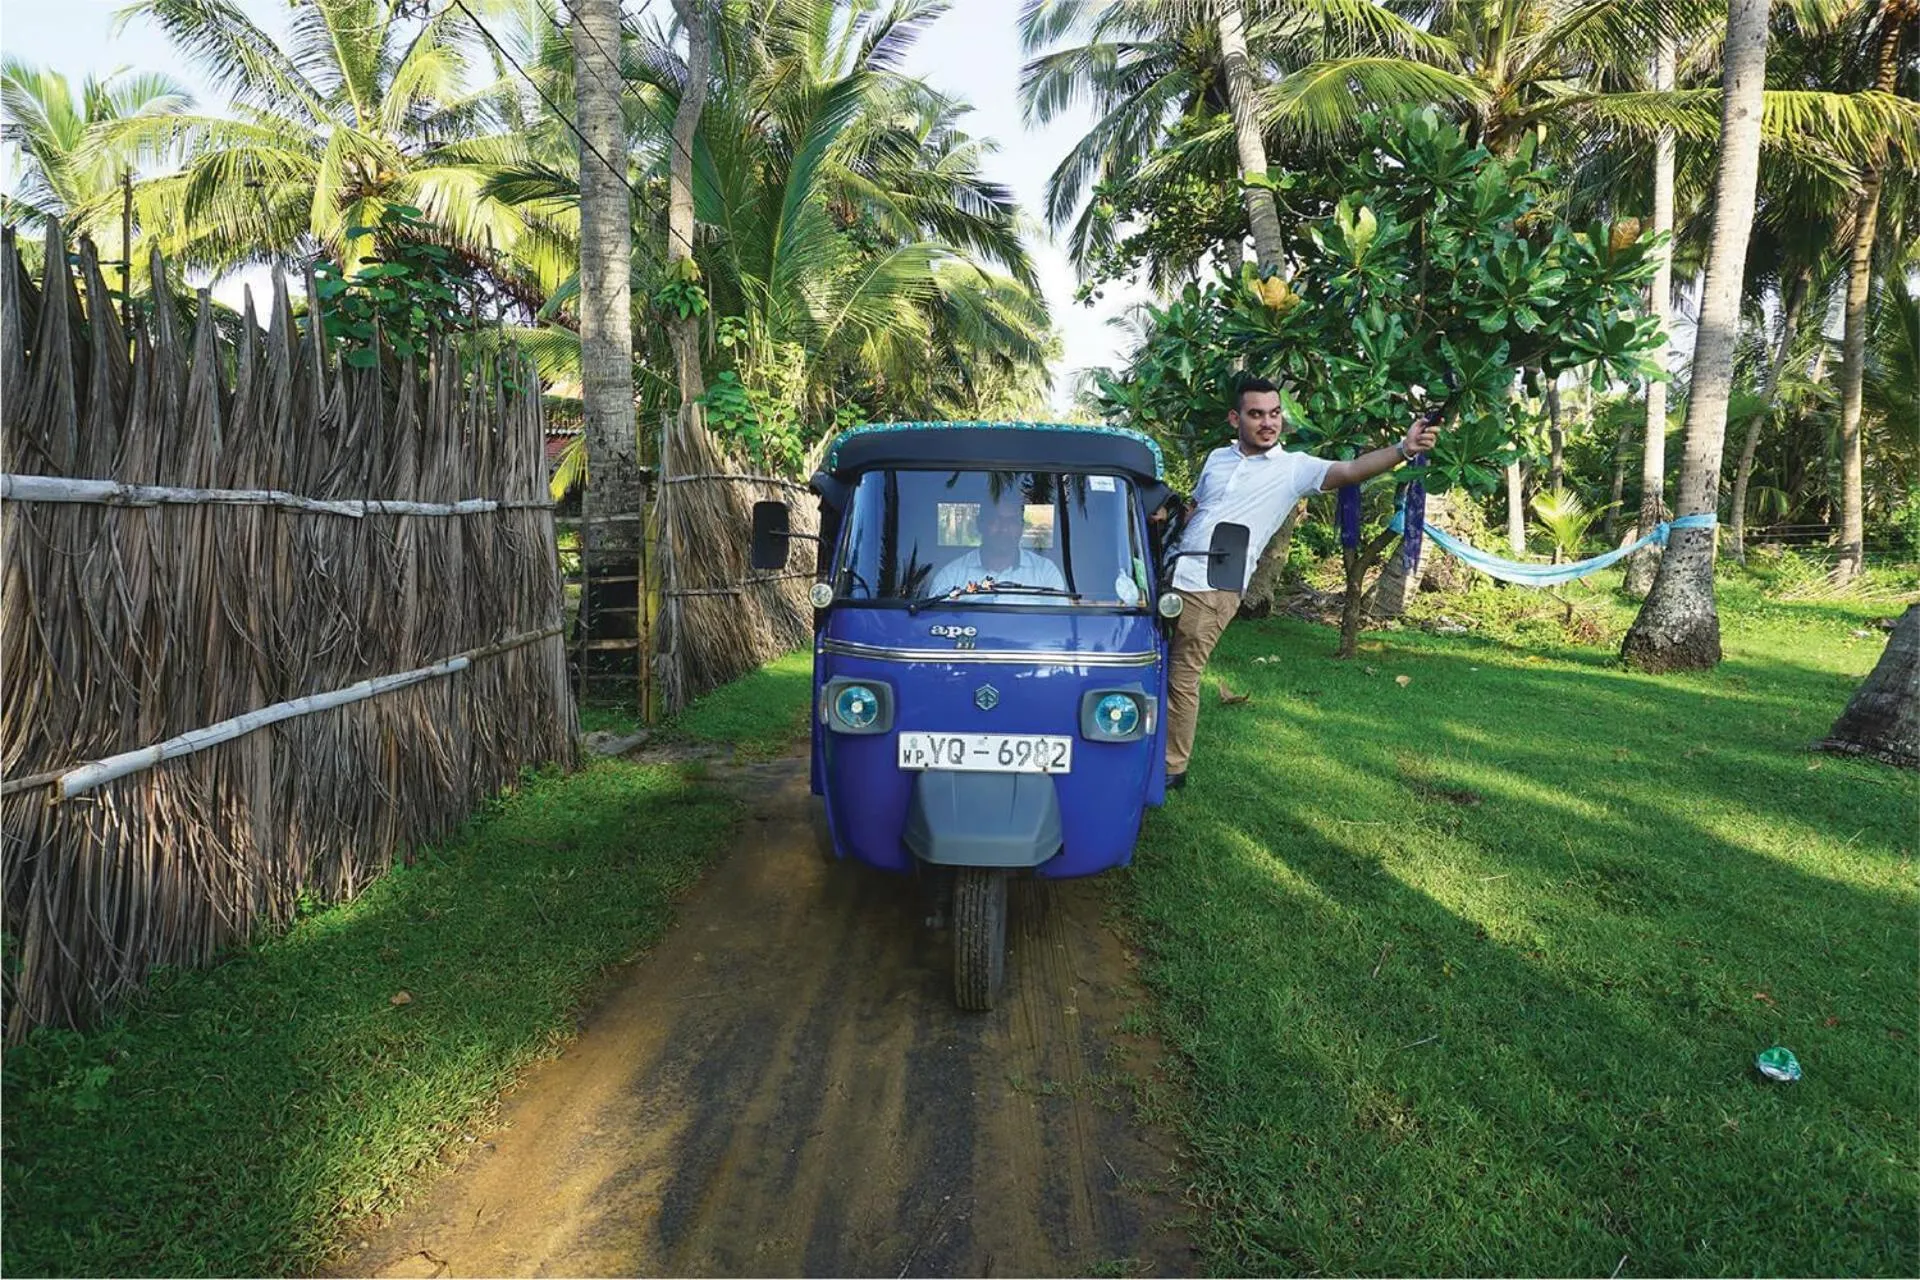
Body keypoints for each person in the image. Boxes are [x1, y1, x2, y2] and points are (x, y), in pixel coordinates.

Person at [1163, 377, 1440, 789]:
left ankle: (1171, 769)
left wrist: (1403, 450)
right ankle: (1142, 745)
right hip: (1172, 574)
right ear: (1235, 418)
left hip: (1215, 584)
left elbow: (1349, 470)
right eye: (1256, 414)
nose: (1267, 423)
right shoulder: (1217, 458)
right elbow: (1201, 509)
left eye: (1274, 414)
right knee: (1153, 663)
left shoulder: (1293, 469)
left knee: (1183, 675)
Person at [923, 495, 1069, 604]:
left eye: (1011, 522)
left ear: (1021, 528)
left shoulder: (1046, 572)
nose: (1004, 529)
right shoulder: (951, 575)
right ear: (980, 525)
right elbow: (934, 622)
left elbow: (1060, 625)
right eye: (995, 520)